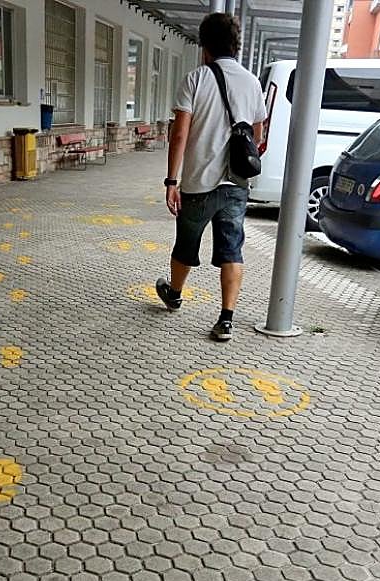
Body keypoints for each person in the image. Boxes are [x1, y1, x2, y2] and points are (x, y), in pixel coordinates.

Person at [155, 13, 266, 342]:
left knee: (186, 243)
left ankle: (174, 294)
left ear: (204, 45)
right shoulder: (252, 82)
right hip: (236, 183)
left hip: (198, 183)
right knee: (232, 248)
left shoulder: (195, 79)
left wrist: (171, 181)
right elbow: (257, 135)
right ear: (236, 45)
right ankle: (226, 320)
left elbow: (179, 135)